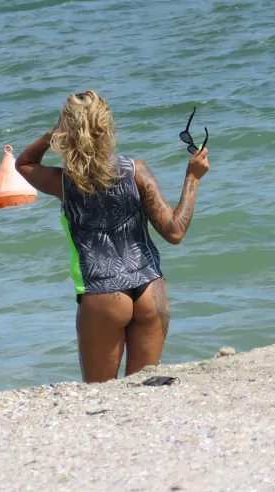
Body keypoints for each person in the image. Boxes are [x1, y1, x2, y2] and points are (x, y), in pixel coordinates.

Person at [15, 91, 210, 383]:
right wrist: (192, 178)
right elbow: (174, 231)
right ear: (107, 125)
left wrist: (52, 133)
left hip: (102, 293)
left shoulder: (64, 182)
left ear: (67, 129)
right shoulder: (136, 171)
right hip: (150, 289)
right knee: (144, 390)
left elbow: (24, 163)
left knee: (100, 393)